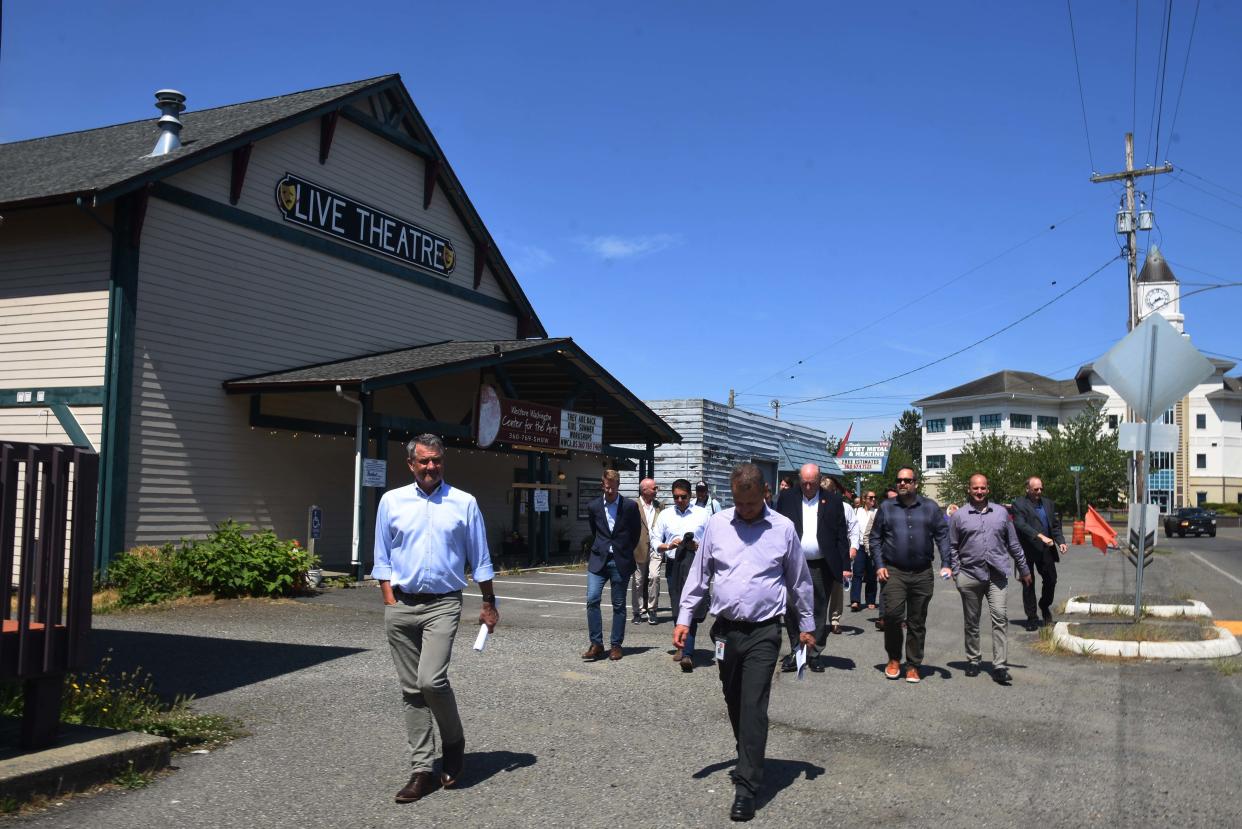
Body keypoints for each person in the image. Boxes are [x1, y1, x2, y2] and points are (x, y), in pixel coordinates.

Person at [674, 463, 814, 823]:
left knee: (753, 704)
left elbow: (798, 581)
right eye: (739, 503)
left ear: (764, 494)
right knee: (734, 699)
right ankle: (749, 751)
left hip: (765, 632)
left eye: (750, 504)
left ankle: (747, 786)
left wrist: (807, 626)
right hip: (726, 631)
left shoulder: (782, 528)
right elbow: (699, 574)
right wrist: (684, 619)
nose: (745, 511)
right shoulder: (719, 525)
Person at [372, 434, 499, 803]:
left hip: (443, 603)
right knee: (411, 689)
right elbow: (382, 553)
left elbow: (481, 558)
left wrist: (489, 602)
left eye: (437, 460)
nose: (431, 467)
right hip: (401, 604)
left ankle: (454, 742)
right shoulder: (391, 501)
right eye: (424, 461)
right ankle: (421, 770)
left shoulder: (463, 503)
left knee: (431, 680)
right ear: (410, 464)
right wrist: (389, 598)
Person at [869, 467, 952, 683]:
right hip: (894, 571)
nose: (902, 483)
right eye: (899, 480)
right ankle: (894, 659)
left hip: (922, 572)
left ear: (916, 483)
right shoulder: (886, 507)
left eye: (907, 480)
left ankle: (913, 664)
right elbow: (875, 538)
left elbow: (943, 535)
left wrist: (946, 562)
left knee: (917, 620)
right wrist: (879, 565)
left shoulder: (930, 508)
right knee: (893, 616)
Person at [949, 474, 1032, 685]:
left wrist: (1024, 569)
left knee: (1000, 617)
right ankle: (974, 660)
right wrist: (957, 573)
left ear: (988, 490)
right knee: (972, 621)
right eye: (975, 488)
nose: (979, 491)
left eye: (982, 488)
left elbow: (1013, 543)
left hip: (997, 575)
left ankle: (1000, 665)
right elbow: (952, 546)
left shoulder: (1002, 513)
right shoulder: (959, 516)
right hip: (969, 575)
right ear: (969, 489)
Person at [774, 464, 848, 673]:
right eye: (804, 482)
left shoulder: (833, 501)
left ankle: (814, 653)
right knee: (791, 607)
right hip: (792, 562)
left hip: (821, 564)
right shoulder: (787, 498)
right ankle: (796, 650)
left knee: (818, 607)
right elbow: (776, 529)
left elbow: (841, 535)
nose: (807, 486)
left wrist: (845, 566)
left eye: (812, 483)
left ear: (819, 480)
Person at [652, 478, 711, 671]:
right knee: (677, 604)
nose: (679, 500)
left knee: (692, 605)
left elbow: (713, 541)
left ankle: (687, 652)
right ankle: (682, 643)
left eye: (683, 497)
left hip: (695, 564)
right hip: (674, 564)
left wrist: (698, 545)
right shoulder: (666, 515)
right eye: (675, 497)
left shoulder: (703, 514)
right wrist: (669, 545)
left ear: (690, 495)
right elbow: (655, 539)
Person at [583, 469, 642, 661]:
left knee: (618, 604)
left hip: (620, 560)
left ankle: (616, 645)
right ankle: (596, 644)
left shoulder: (630, 506)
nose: (609, 491)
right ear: (603, 485)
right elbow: (595, 530)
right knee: (592, 599)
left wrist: (623, 550)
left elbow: (635, 533)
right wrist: (602, 546)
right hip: (598, 559)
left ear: (618, 486)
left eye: (613, 488)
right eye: (607, 487)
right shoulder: (593, 506)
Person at [1010, 475, 1068, 631]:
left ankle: (1044, 605)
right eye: (1036, 489)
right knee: (1028, 584)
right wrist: (1040, 536)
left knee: (1051, 580)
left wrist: (1061, 541)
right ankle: (1032, 617)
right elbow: (1021, 525)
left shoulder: (1048, 504)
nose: (1039, 491)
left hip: (1045, 550)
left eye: (1041, 488)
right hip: (1027, 550)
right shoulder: (1019, 504)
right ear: (1027, 489)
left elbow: (1055, 526)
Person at [819, 475, 858, 635]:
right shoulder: (812, 506)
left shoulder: (844, 507)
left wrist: (854, 547)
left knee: (836, 588)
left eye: (828, 492)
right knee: (817, 588)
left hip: (837, 553)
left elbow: (853, 528)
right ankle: (817, 621)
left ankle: (835, 620)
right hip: (818, 553)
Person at [630, 478, 663, 625]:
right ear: (644, 490)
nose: (656, 490)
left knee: (655, 576)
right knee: (638, 581)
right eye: (654, 488)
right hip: (638, 547)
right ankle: (637, 611)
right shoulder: (633, 506)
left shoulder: (659, 506)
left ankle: (652, 609)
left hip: (656, 547)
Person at [850, 491, 879, 612]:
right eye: (870, 497)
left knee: (872, 574)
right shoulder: (857, 511)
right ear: (864, 499)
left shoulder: (877, 512)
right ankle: (855, 600)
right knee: (857, 573)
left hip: (873, 546)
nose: (873, 499)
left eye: (874, 497)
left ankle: (871, 600)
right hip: (860, 546)